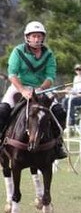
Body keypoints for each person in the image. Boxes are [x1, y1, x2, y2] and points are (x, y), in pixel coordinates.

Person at [0, 21, 67, 159]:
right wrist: (23, 90)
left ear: (43, 38)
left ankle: (58, 144)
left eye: (39, 36)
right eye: (34, 36)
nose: (36, 39)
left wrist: (41, 88)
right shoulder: (18, 51)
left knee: (59, 112)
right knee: (2, 110)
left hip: (41, 88)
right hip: (19, 87)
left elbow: (50, 76)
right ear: (27, 38)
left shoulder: (48, 54)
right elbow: (12, 74)